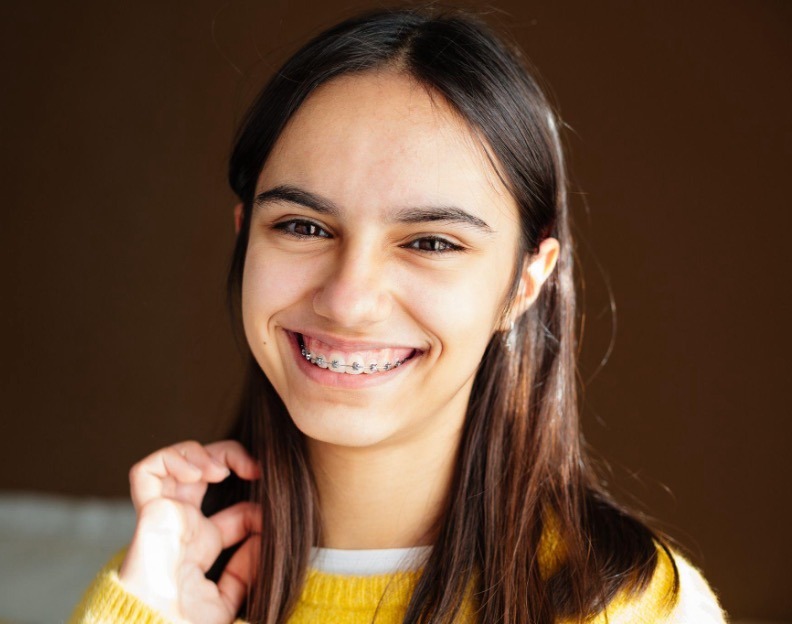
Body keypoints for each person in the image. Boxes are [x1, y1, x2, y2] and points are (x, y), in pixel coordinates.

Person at [69, 7, 726, 624]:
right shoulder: (160, 590)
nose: (349, 299)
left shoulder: (629, 605)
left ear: (526, 279)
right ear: (245, 237)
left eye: (432, 242)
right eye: (302, 226)